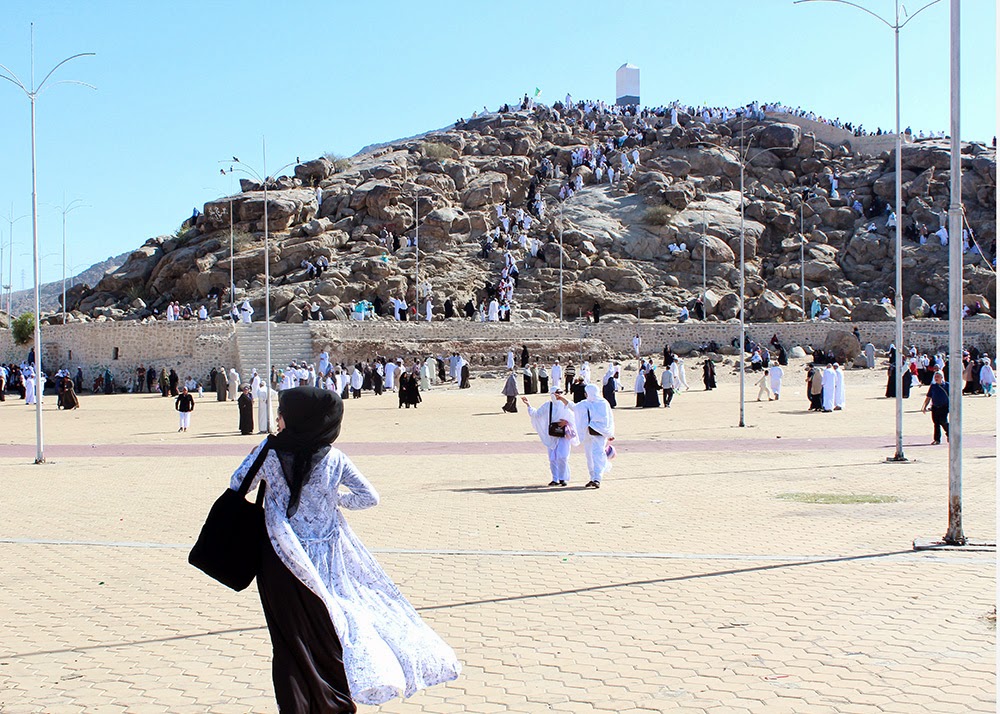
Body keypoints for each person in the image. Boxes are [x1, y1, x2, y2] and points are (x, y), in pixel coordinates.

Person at [228, 387, 461, 710]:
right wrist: (332, 499)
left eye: (282, 412)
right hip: (329, 557)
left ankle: (299, 706)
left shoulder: (269, 452)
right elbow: (369, 497)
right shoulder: (335, 458)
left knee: (290, 640)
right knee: (333, 630)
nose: (278, 418)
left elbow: (237, 484)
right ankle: (335, 702)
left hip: (282, 558)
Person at [522, 388, 579, 486]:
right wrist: (528, 405)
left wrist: (566, 422)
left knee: (563, 456)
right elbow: (536, 415)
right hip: (552, 434)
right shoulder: (548, 405)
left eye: (560, 393)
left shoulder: (566, 405)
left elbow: (575, 416)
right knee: (553, 458)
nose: (559, 395)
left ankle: (563, 478)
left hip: (563, 434)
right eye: (557, 393)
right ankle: (555, 478)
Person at [574, 384, 615, 489]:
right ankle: (592, 477)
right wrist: (562, 399)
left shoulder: (603, 403)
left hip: (600, 434)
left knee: (598, 455)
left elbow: (609, 419)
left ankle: (598, 478)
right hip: (588, 434)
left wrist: (610, 433)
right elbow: (574, 408)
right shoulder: (585, 403)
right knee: (589, 456)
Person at [921, 371, 950, 444]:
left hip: (944, 407)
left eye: (938, 376)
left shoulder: (947, 385)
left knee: (943, 422)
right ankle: (937, 439)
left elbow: (952, 396)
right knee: (936, 423)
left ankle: (950, 434)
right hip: (935, 407)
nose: (936, 378)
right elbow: (928, 397)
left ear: (942, 377)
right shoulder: (933, 386)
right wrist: (924, 406)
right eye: (935, 376)